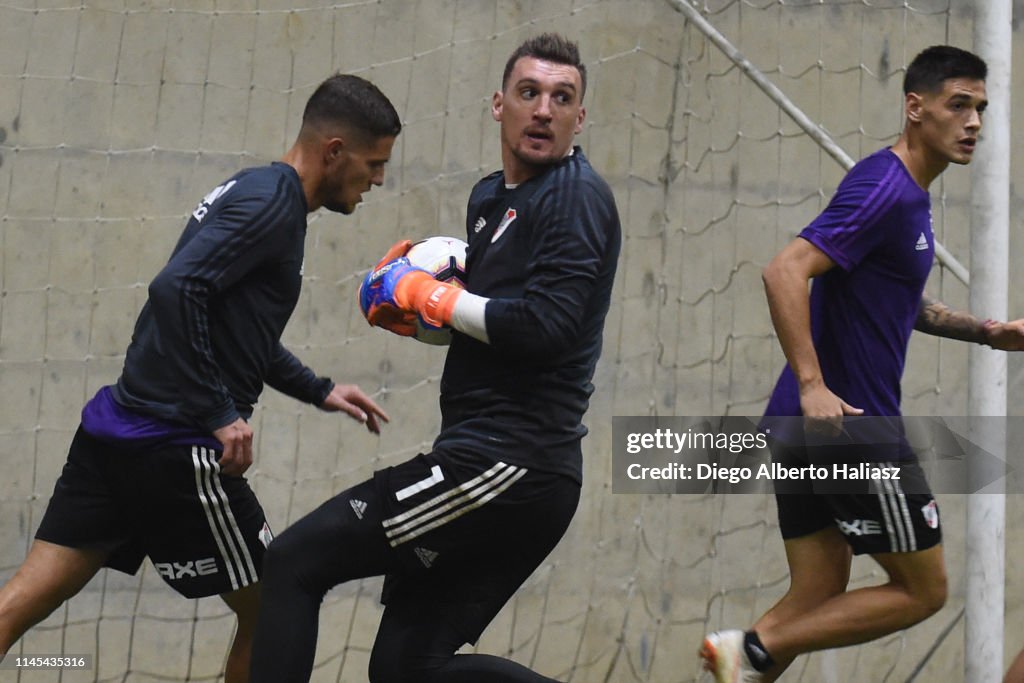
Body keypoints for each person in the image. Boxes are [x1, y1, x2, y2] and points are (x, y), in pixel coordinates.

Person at [0, 74, 397, 683]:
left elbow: (225, 326)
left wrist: (318, 388)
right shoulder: (274, 205)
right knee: (274, 604)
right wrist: (218, 413)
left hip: (114, 435)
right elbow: (174, 289)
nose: (378, 179)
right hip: (175, 448)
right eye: (374, 163)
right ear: (334, 150)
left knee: (19, 603)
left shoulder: (254, 187)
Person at [250, 33, 621, 683]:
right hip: (496, 463)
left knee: (293, 562)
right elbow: (495, 321)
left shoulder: (575, 196)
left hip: (509, 465)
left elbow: (548, 327)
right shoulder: (490, 201)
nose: (544, 110)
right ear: (498, 104)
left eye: (562, 99)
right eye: (529, 93)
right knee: (405, 668)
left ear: (579, 119)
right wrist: (415, 318)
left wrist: (428, 294)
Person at [700, 45, 1024, 682]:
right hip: (849, 427)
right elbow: (784, 270)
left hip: (801, 429)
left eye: (981, 109)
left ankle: (749, 656)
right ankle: (753, 647)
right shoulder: (885, 187)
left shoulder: (908, 196)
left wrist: (988, 332)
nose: (974, 123)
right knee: (924, 591)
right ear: (915, 107)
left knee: (815, 598)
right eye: (958, 105)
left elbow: (904, 302)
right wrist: (814, 384)